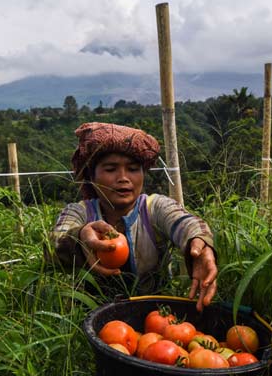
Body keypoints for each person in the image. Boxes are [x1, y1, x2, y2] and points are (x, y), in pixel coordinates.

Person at [46, 122, 217, 312]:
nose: (123, 177)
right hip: (87, 314)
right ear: (91, 177)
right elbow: (55, 242)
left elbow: (185, 222)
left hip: (154, 314)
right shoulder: (79, 212)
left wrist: (200, 246)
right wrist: (79, 238)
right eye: (110, 169)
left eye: (133, 169)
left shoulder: (154, 208)